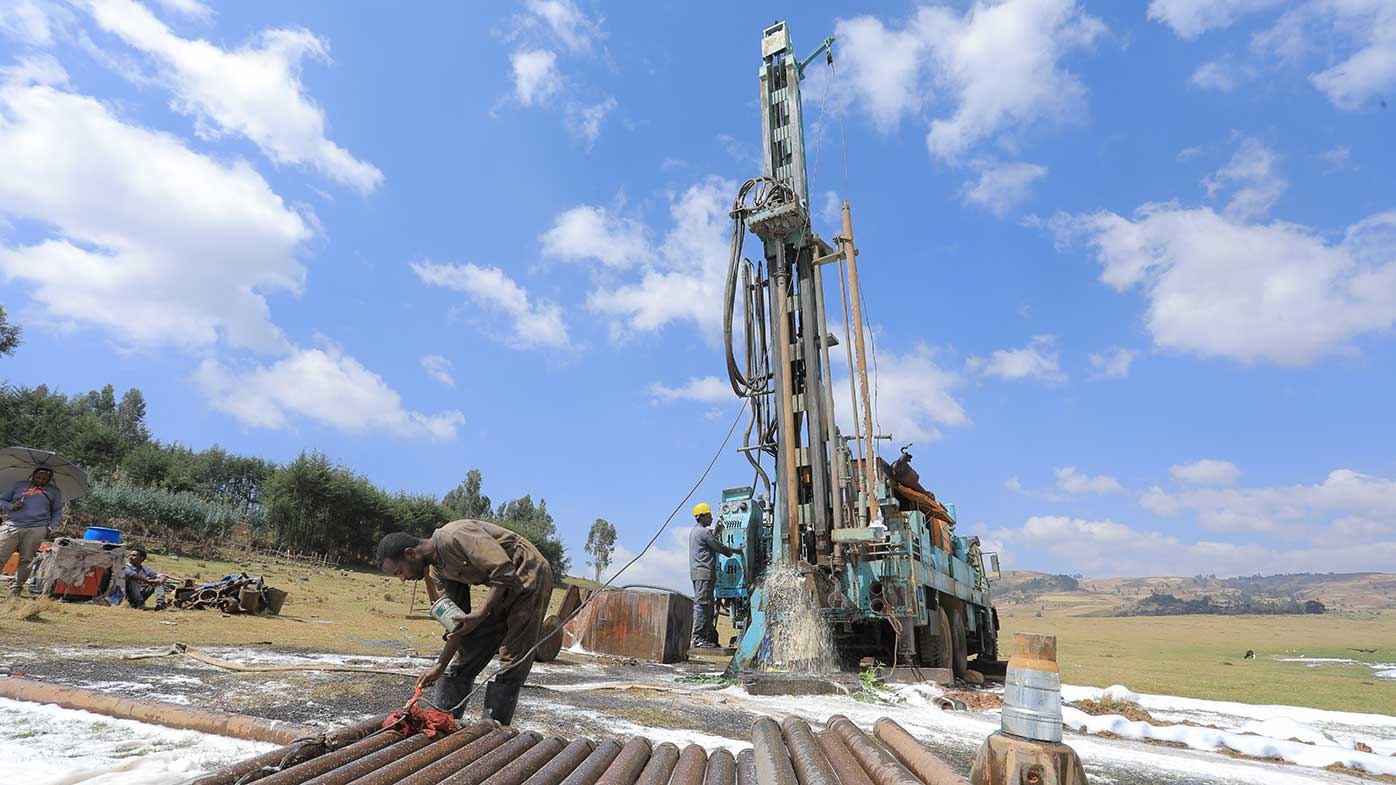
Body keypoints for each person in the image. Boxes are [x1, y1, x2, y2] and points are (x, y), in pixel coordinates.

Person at [376, 519, 553, 725]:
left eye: (399, 572)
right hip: (502, 586)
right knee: (467, 654)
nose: (403, 579)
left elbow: (503, 570)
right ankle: (442, 723)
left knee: (513, 657)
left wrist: (481, 612)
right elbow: (457, 622)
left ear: (411, 553)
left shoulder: (456, 534)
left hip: (530, 573)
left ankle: (492, 733)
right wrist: (440, 665)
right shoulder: (436, 572)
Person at [0, 467, 63, 598]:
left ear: (49, 480)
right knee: (1, 556)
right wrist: (12, 506)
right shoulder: (18, 485)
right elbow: (2, 500)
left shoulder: (54, 492)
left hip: (37, 528)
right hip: (12, 525)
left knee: (27, 560)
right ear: (33, 475)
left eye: (44, 479)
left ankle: (16, 590)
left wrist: (50, 528)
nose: (40, 480)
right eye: (38, 477)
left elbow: (57, 511)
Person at [689, 502, 737, 649]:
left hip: (701, 573)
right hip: (704, 573)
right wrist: (735, 551)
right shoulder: (703, 533)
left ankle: (709, 638)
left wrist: (716, 530)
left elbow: (712, 539)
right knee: (702, 605)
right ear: (702, 516)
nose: (711, 518)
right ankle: (698, 638)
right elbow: (718, 546)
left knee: (707, 606)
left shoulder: (696, 531)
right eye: (709, 515)